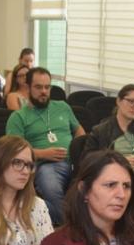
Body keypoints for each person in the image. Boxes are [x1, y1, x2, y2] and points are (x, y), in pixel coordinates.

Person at [5, 67, 85, 224]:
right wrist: (42, 154)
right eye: (38, 87)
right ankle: (72, 224)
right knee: (50, 184)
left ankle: (32, 209)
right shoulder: (18, 117)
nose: (44, 91)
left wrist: (79, 150)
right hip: (45, 165)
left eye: (47, 87)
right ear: (27, 87)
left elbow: (80, 131)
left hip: (76, 162)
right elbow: (13, 151)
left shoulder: (62, 106)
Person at [84, 83, 134, 228]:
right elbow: (88, 159)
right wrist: (118, 161)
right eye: (131, 101)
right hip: (111, 176)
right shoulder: (101, 131)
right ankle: (131, 228)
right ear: (119, 101)